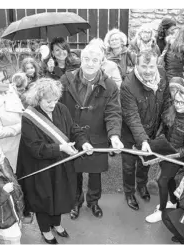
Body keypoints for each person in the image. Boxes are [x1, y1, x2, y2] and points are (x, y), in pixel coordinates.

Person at [16, 78, 93, 244]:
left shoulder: (62, 109)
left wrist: (84, 143)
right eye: (48, 101)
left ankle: (57, 224)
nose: (53, 104)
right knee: (44, 198)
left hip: (60, 165)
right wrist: (60, 149)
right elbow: (35, 148)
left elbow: (73, 130)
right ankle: (45, 229)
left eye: (55, 100)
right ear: (38, 99)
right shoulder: (29, 118)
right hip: (41, 167)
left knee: (60, 195)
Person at [59, 44, 123, 220]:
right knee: (74, 172)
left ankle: (93, 202)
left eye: (95, 60)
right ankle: (75, 202)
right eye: (86, 59)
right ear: (81, 59)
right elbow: (58, 107)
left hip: (98, 136)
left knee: (95, 174)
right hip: (73, 136)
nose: (90, 63)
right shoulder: (66, 80)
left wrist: (114, 136)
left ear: (102, 62)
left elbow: (113, 113)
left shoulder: (110, 86)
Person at [145, 85, 184, 223]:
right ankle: (173, 201)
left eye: (181, 102)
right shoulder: (170, 112)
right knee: (169, 180)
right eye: (175, 101)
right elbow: (162, 130)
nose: (177, 105)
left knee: (162, 181)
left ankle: (162, 211)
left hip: (176, 157)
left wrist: (173, 154)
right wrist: (157, 143)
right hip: (165, 152)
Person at [120, 50, 167, 211]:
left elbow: (166, 102)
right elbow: (132, 116)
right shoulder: (127, 85)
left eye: (151, 66)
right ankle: (129, 192)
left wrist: (163, 128)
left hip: (152, 129)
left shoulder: (162, 75)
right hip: (130, 133)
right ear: (136, 65)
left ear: (157, 65)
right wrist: (143, 140)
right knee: (128, 165)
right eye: (144, 66)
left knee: (145, 162)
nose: (148, 70)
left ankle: (141, 185)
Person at [0, 63, 24, 171]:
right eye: (3, 80)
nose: (8, 82)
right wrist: (21, 126)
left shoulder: (10, 91)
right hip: (8, 152)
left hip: (22, 145)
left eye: (7, 78)